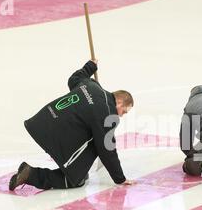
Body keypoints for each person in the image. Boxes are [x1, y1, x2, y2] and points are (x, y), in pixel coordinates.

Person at [9, 59, 135, 191]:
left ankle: (78, 169)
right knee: (76, 179)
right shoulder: (109, 114)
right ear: (120, 103)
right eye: (124, 111)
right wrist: (120, 178)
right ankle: (31, 175)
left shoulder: (91, 84)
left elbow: (74, 78)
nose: (121, 115)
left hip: (41, 123)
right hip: (57, 136)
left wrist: (90, 66)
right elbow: (107, 149)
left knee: (93, 132)